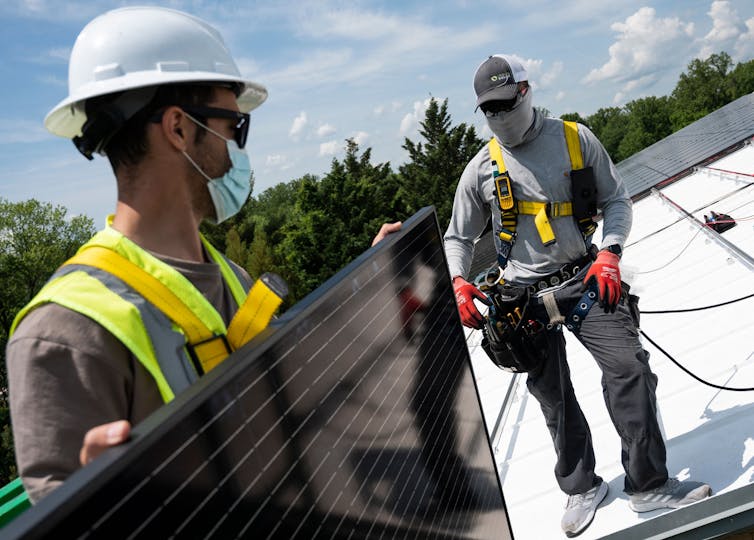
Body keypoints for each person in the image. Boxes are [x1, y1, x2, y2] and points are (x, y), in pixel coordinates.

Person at [5, 6, 399, 504]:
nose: (239, 145)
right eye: (235, 124)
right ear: (178, 129)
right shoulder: (62, 333)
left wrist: (369, 284)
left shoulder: (225, 274)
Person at [444, 54, 711, 537]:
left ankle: (648, 482)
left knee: (628, 369)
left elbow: (615, 199)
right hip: (523, 298)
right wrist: (459, 279)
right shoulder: (481, 169)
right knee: (552, 396)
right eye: (488, 109)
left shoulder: (574, 139)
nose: (499, 115)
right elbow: (457, 238)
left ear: (526, 91)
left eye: (505, 102)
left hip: (586, 278)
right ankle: (582, 485)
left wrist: (610, 252)